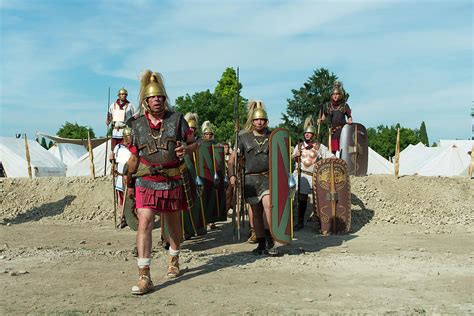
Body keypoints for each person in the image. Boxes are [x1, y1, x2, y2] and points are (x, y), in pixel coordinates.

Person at [126, 70, 197, 295]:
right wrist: (129, 182)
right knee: (145, 221)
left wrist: (186, 149)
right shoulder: (136, 126)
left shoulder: (177, 120)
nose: (157, 100)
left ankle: (174, 260)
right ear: (146, 102)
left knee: (174, 225)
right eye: (153, 97)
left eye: (161, 97)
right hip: (147, 179)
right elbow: (134, 157)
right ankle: (144, 275)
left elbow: (194, 144)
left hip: (173, 178)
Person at [228, 100, 278, 255]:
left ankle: (271, 241)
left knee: (268, 206)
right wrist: (232, 175)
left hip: (267, 178)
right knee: (255, 213)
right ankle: (261, 244)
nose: (259, 122)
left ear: (267, 121)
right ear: (252, 121)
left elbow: (281, 158)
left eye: (262, 119)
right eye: (256, 120)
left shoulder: (273, 137)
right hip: (250, 180)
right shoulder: (243, 138)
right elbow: (232, 160)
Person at [292, 117, 334, 231]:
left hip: (315, 176)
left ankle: (320, 222)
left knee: (319, 200)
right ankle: (300, 221)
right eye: (306, 133)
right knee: (302, 199)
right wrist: (296, 156)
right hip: (302, 176)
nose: (307, 135)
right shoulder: (299, 146)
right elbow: (292, 157)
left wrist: (322, 162)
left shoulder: (320, 147)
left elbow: (331, 157)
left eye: (309, 133)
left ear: (314, 135)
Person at [318, 81, 353, 155]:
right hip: (332, 132)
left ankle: (343, 164)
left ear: (340, 95)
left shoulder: (344, 105)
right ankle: (332, 165)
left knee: (343, 151)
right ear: (331, 95)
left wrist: (350, 121)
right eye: (333, 94)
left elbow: (349, 117)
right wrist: (320, 120)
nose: (335, 96)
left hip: (343, 132)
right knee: (331, 152)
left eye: (337, 94)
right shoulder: (327, 105)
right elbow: (323, 117)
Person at [106, 88, 137, 160]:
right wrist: (108, 120)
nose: (123, 96)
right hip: (115, 131)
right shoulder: (113, 105)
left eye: (125, 94)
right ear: (118, 95)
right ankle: (114, 166)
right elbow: (109, 116)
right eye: (121, 94)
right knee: (114, 150)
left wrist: (134, 119)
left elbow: (136, 115)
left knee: (125, 149)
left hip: (126, 131)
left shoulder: (130, 106)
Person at [113, 127, 132, 229]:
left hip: (131, 177)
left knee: (133, 199)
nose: (129, 138)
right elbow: (114, 161)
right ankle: (123, 219)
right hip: (120, 177)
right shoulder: (118, 147)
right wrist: (111, 159)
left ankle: (134, 219)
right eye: (128, 136)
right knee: (121, 199)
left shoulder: (134, 147)